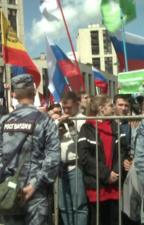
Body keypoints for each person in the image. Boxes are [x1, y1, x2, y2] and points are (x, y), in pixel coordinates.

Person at [0, 74, 61, 225]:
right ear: (33, 93)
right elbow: (53, 158)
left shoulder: (3, 122)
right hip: (36, 193)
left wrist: (6, 183)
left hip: (9, 192)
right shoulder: (45, 121)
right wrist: (35, 184)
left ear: (14, 95)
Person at [78, 95, 127, 225]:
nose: (114, 108)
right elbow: (84, 156)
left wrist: (115, 172)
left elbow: (122, 151)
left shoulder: (116, 127)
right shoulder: (86, 128)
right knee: (97, 220)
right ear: (101, 109)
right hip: (96, 184)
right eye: (111, 105)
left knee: (114, 219)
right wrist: (106, 174)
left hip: (114, 185)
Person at [57, 92, 88, 225]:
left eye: (69, 107)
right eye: (64, 108)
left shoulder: (83, 120)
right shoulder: (59, 119)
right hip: (61, 167)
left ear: (77, 104)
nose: (66, 111)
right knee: (64, 207)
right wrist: (57, 133)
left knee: (79, 206)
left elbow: (81, 144)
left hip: (76, 166)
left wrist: (70, 125)